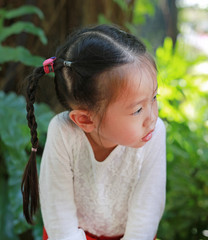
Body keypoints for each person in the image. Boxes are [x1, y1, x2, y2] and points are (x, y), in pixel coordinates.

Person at [21, 24, 166, 240]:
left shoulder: (154, 132)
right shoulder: (63, 134)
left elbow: (148, 208)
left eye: (154, 98)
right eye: (137, 109)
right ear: (85, 119)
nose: (152, 117)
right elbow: (58, 212)